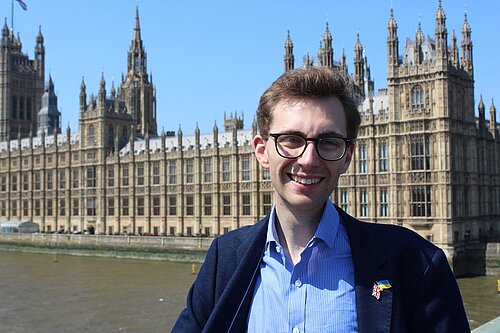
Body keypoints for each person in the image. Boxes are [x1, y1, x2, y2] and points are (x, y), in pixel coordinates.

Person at [172, 67, 470, 332]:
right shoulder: (223, 259)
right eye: (291, 140)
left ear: (348, 156)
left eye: (328, 142)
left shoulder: (416, 264)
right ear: (262, 151)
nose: (308, 159)